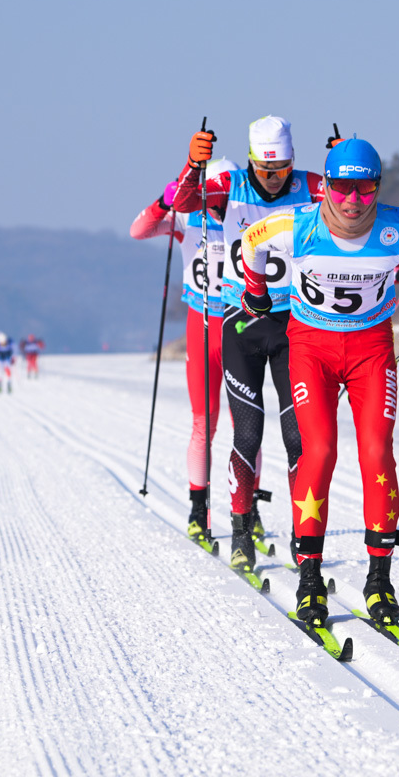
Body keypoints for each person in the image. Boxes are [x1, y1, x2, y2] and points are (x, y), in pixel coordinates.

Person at [241, 136, 399, 627]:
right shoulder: (296, 225)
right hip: (312, 348)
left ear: (378, 187)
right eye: (342, 187)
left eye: (364, 189)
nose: (352, 200)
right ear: (324, 186)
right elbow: (251, 242)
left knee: (377, 451)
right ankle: (309, 580)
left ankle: (380, 579)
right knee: (319, 450)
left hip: (371, 349)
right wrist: (256, 292)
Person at [170, 118, 328, 569]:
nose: (274, 178)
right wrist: (193, 164)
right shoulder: (230, 184)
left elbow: (353, 202)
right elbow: (183, 202)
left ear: (293, 162)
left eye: (282, 169)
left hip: (293, 324)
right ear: (252, 161)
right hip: (241, 324)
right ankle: (241, 531)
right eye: (265, 169)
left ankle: (303, 534)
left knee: (298, 438)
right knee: (247, 433)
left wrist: (341, 167)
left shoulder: (309, 185)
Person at [130, 157, 239, 543]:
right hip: (201, 326)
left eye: (225, 193)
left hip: (239, 324)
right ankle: (197, 508)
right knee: (203, 423)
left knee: (246, 424)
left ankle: (249, 509)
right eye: (212, 193)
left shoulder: (247, 215)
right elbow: (139, 230)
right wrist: (165, 200)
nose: (218, 200)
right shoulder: (187, 216)